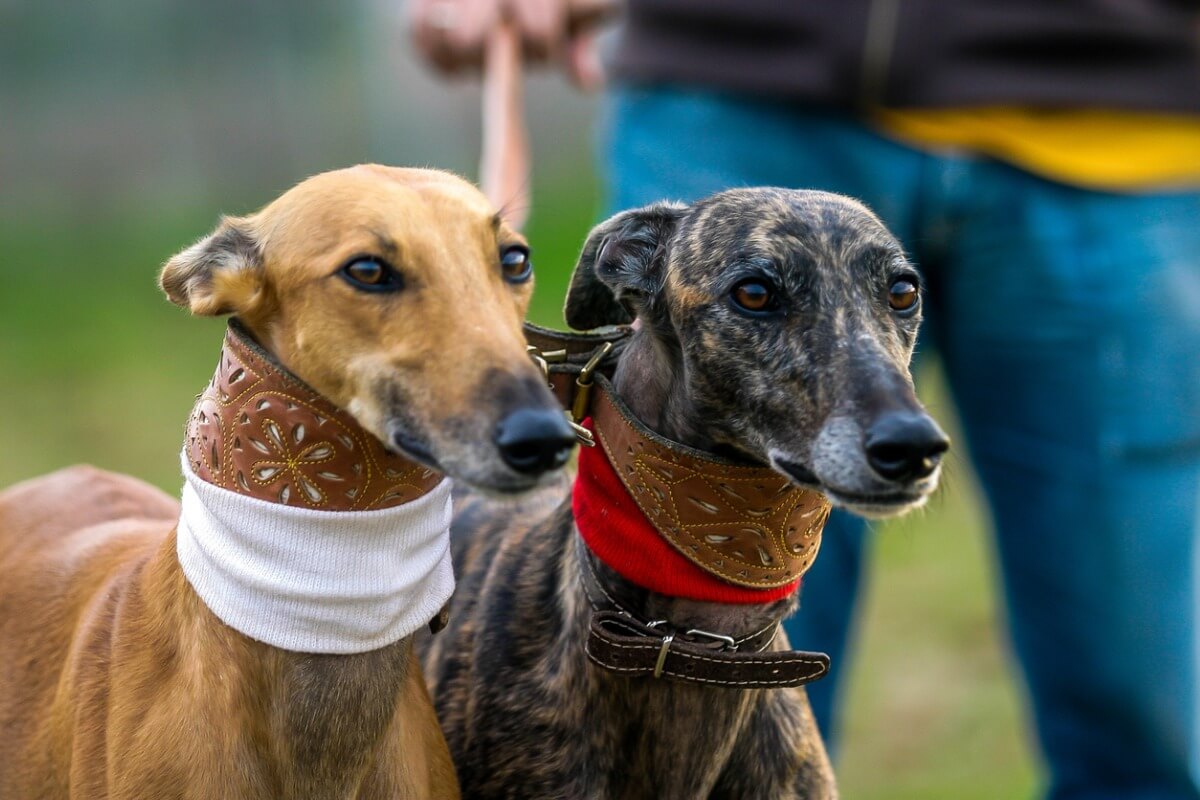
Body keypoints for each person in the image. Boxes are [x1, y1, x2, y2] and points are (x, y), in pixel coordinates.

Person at [408, 1, 1200, 796]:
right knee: (694, 626)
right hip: (739, 73)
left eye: (898, 296)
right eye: (755, 295)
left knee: (1134, 724)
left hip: (1112, 112)